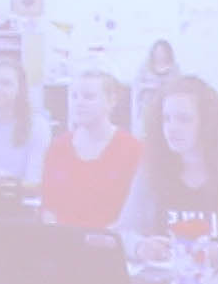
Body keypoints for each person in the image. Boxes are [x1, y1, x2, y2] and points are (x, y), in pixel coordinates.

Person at [120, 69, 218, 284]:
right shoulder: (150, 168)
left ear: (208, 123)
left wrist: (217, 256)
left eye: (183, 119)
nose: (172, 128)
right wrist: (140, 247)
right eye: (166, 119)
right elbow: (124, 232)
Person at [33, 65, 141, 235]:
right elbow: (48, 208)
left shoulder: (132, 149)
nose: (79, 103)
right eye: (74, 97)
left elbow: (134, 215)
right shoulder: (58, 148)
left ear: (111, 101)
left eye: (89, 97)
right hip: (62, 245)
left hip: (110, 244)